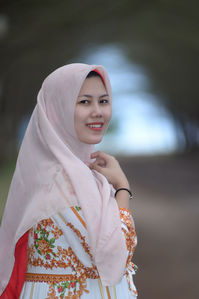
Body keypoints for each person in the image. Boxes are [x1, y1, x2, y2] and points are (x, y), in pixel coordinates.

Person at [0, 63, 138, 298]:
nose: (98, 112)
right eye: (84, 101)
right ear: (56, 111)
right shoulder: (59, 180)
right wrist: (122, 188)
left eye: (103, 101)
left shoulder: (80, 173)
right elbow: (113, 253)